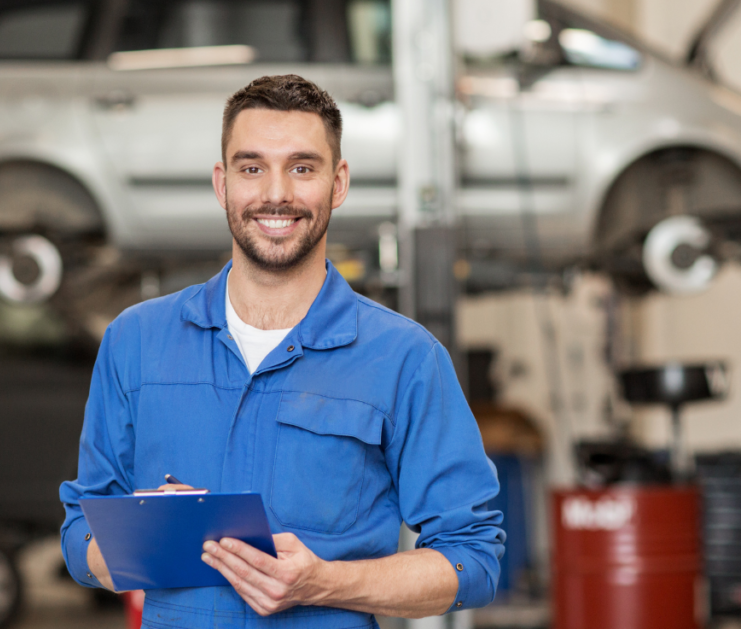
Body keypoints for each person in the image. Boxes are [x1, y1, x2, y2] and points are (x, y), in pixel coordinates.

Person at [60, 74, 504, 627]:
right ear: (222, 184)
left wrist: (328, 582)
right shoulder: (136, 341)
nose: (276, 194)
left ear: (337, 183)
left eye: (302, 168)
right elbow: (81, 530)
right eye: (252, 168)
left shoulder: (405, 359)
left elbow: (473, 559)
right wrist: (157, 537)